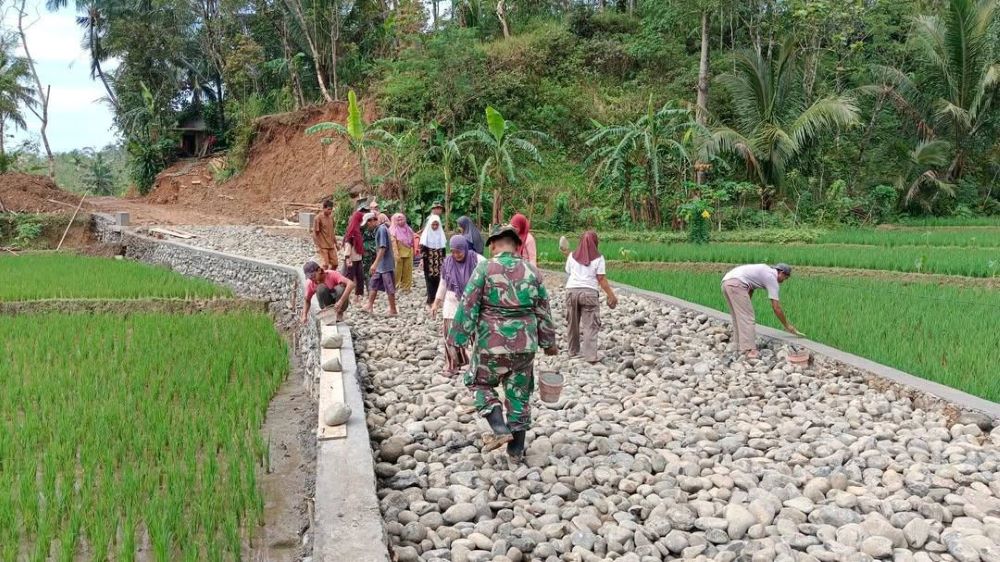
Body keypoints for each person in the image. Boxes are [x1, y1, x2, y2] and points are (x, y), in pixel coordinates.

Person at [447, 225, 557, 462]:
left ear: (494, 246)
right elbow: (543, 310)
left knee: (478, 382)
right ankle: (516, 452)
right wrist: (549, 342)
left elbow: (468, 304)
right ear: (517, 246)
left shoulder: (484, 268)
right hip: (525, 345)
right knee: (519, 393)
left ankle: (499, 428)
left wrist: (457, 339)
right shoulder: (533, 271)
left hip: (491, 343)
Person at [431, 235, 486, 376]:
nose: (456, 255)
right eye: (453, 251)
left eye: (459, 251)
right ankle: (452, 365)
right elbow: (443, 283)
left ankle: (479, 366)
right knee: (449, 332)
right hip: (452, 299)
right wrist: (436, 302)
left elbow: (489, 278)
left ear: (465, 248)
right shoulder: (448, 262)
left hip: (473, 301)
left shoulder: (478, 260)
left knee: (475, 333)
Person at [721, 263, 800, 358]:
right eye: (785, 278)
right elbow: (776, 308)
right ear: (781, 273)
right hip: (737, 285)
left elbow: (750, 289)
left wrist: (745, 305)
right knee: (748, 318)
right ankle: (750, 350)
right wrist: (787, 325)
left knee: (738, 316)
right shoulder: (771, 278)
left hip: (726, 283)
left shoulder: (764, 271)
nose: (783, 281)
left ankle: (738, 346)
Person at [562, 231, 618, 363]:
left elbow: (568, 271)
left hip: (571, 291)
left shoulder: (572, 256)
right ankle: (590, 356)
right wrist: (611, 295)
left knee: (572, 323)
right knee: (590, 325)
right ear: (595, 242)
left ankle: (573, 351)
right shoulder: (599, 258)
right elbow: (601, 278)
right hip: (589, 293)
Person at [365, 212, 398, 315]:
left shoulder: (381, 230)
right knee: (373, 284)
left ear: (371, 221)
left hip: (385, 265)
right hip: (381, 265)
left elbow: (382, 248)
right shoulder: (380, 229)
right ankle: (369, 305)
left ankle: (393, 309)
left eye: (367, 224)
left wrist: (375, 263)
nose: (367, 227)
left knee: (389, 286)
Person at [342, 202, 368, 304]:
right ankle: (345, 297)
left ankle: (357, 297)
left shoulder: (357, 230)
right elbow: (348, 244)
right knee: (349, 278)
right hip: (351, 258)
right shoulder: (352, 232)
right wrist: (347, 258)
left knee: (360, 277)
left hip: (358, 258)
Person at [419, 215, 447, 311]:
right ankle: (430, 301)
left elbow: (443, 250)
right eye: (433, 225)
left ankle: (437, 300)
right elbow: (422, 250)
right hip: (429, 262)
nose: (435, 227)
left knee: (439, 280)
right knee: (429, 281)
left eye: (436, 225)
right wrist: (422, 260)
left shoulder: (441, 235)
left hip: (439, 262)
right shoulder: (426, 235)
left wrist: (445, 262)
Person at [390, 213, 415, 292]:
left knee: (408, 270)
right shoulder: (393, 230)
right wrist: (396, 253)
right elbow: (393, 244)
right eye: (398, 220)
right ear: (394, 221)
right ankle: (395, 287)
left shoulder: (408, 229)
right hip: (398, 252)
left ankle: (406, 287)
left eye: (402, 219)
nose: (400, 221)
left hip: (408, 252)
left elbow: (412, 241)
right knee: (397, 270)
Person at [312, 200, 339, 270]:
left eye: (331, 209)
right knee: (325, 265)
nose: (330, 211)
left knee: (335, 264)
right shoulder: (318, 218)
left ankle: (329, 275)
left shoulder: (331, 217)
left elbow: (332, 232)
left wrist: (336, 243)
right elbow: (315, 233)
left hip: (331, 245)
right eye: (328, 209)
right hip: (323, 246)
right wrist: (317, 246)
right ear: (324, 208)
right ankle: (322, 276)